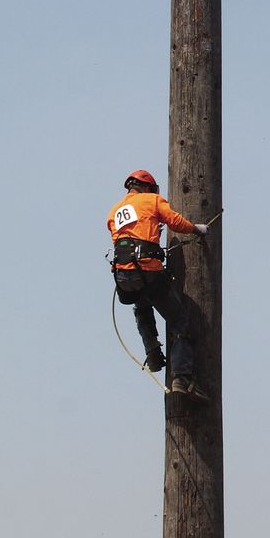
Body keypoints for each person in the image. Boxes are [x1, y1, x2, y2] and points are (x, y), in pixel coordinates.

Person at [107, 170, 209, 402]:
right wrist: (196, 229)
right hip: (148, 271)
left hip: (124, 277)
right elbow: (174, 221)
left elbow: (128, 234)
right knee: (180, 321)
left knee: (141, 304)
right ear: (147, 187)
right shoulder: (152, 200)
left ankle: (153, 352)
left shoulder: (115, 211)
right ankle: (182, 378)